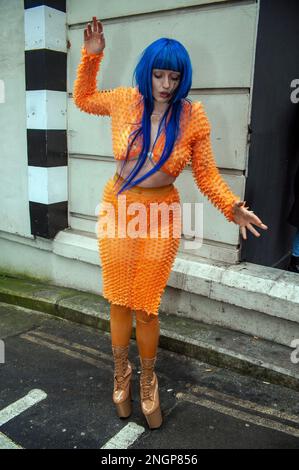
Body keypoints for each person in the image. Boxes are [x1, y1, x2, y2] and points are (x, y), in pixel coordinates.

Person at [73, 16, 268, 430]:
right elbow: (84, 98)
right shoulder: (125, 100)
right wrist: (92, 58)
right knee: (119, 299)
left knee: (146, 304)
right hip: (120, 207)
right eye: (159, 74)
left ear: (183, 79)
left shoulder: (192, 117)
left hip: (161, 214)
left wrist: (232, 206)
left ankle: (148, 379)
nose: (165, 83)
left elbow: (207, 174)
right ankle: (121, 372)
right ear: (148, 73)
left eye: (173, 76)